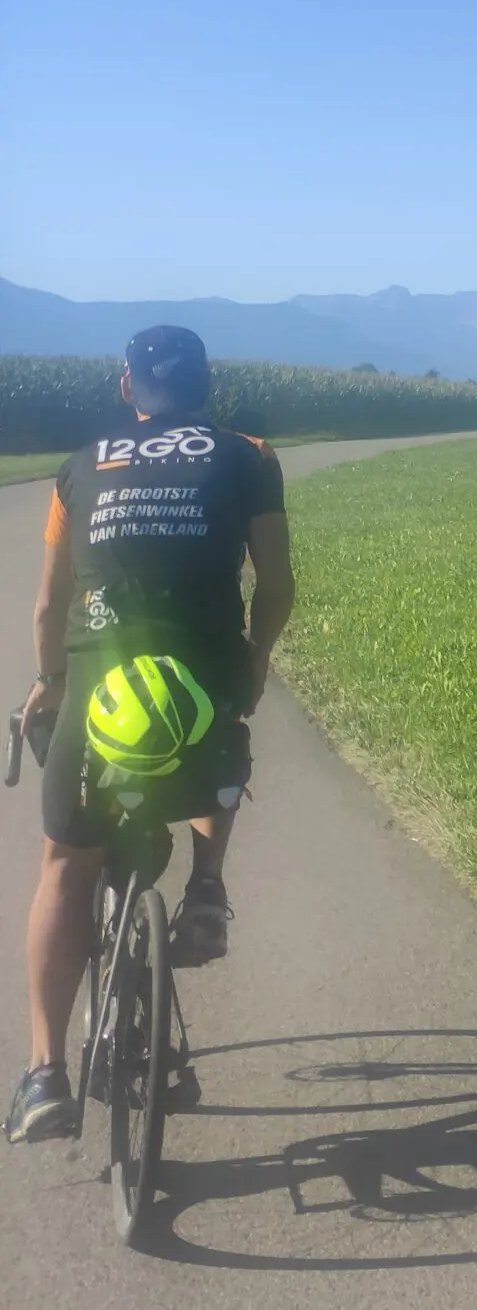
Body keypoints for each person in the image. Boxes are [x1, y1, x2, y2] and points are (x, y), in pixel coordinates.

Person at [8, 327, 293, 1143]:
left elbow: (45, 609)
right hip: (203, 678)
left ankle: (44, 1079)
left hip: (100, 684)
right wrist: (257, 662)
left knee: (65, 867)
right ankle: (206, 887)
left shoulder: (83, 462)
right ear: (206, 387)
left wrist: (50, 682)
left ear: (128, 387)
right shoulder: (250, 453)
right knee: (222, 730)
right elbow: (276, 582)